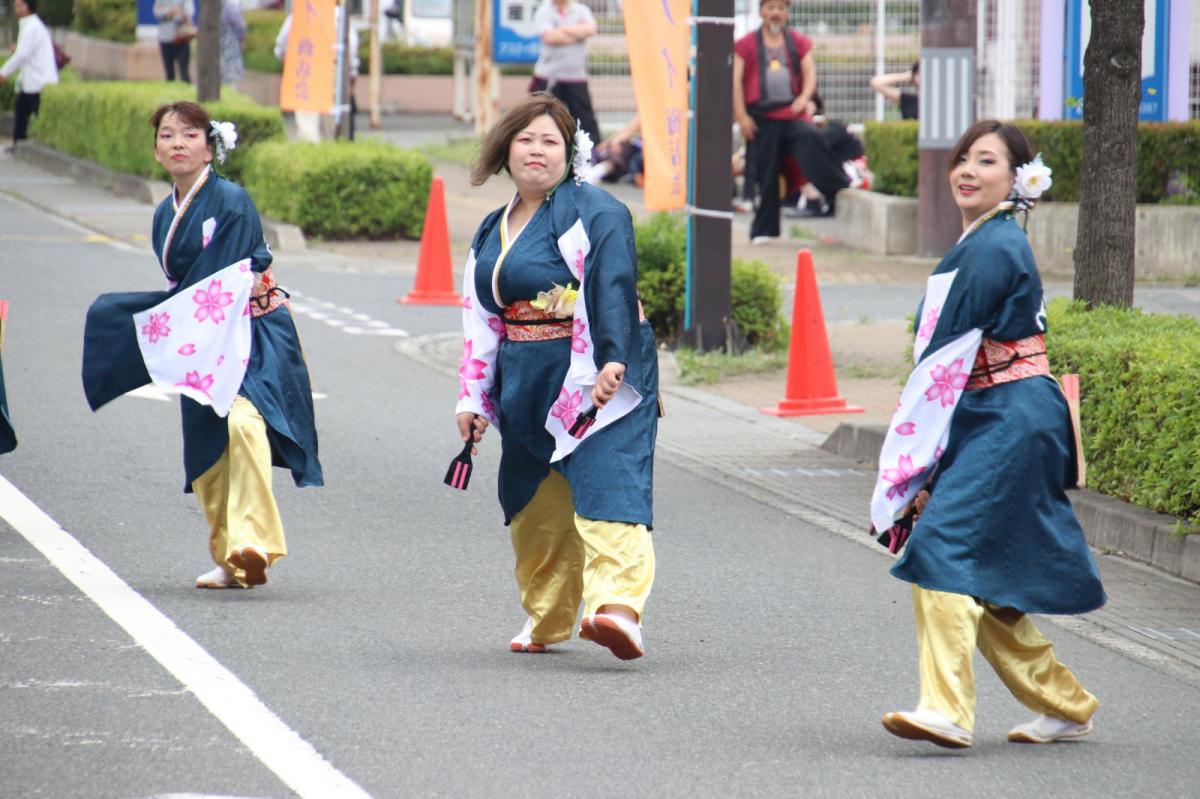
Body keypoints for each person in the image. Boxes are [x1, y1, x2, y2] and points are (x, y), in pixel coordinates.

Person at [870, 119, 1105, 749]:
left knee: (942, 547)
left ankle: (946, 708)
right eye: (964, 159)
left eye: (988, 161)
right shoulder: (988, 240)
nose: (969, 171)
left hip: (1009, 414)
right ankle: (1064, 703)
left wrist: (914, 451)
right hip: (994, 412)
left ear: (1018, 179)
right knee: (984, 576)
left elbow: (939, 353)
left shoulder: (994, 246)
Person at [82, 102, 323, 590]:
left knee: (245, 423)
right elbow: (184, 284)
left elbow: (219, 277)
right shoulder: (162, 214)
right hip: (201, 333)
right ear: (156, 151)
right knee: (207, 450)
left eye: (190, 134)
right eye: (167, 135)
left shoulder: (232, 200)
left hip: (251, 331)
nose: (177, 143)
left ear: (209, 148)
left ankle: (253, 542)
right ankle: (229, 558)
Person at [455, 93, 659, 661]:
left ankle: (618, 610)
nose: (537, 151)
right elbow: (481, 320)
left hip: (601, 377)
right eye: (525, 140)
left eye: (550, 141)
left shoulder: (597, 211)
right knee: (535, 508)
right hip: (528, 379)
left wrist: (612, 358)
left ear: (570, 153)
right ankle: (547, 616)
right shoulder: (491, 230)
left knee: (608, 482)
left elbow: (612, 285)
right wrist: (473, 399)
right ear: (505, 150)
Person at [733, 0, 849, 243]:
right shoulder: (745, 44)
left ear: (787, 13)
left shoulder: (797, 41)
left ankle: (838, 189)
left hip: (791, 112)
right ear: (761, 12)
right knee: (766, 173)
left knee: (811, 137)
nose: (776, 13)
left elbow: (809, 72)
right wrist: (742, 116)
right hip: (761, 118)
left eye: (781, 8)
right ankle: (764, 230)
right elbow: (736, 81)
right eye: (770, 8)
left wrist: (804, 98)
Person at [274, 8, 360, 141]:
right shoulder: (338, 15)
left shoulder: (300, 13)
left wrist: (289, 61)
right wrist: (352, 71)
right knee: (330, 120)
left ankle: (311, 149)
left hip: (306, 68)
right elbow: (351, 48)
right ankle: (329, 147)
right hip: (332, 69)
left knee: (307, 121)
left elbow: (282, 46)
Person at [529, 0, 602, 150]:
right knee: (540, 115)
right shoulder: (543, 10)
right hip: (548, 76)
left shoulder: (581, 9)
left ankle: (593, 154)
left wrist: (561, 29)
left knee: (585, 119)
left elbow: (591, 29)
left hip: (576, 76)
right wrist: (578, 32)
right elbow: (550, 38)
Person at [0, 0, 58, 150]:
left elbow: (22, 55)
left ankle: (43, 145)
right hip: (30, 82)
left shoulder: (32, 27)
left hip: (38, 82)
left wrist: (3, 73)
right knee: (21, 112)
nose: (16, 9)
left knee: (37, 115)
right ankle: (18, 145)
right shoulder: (29, 25)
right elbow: (24, 51)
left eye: (19, 5)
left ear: (27, 6)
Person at [154, 0, 195, 83]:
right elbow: (157, 13)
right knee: (169, 72)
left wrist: (167, 13)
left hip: (181, 39)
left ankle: (186, 90)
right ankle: (170, 89)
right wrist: (173, 11)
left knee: (184, 72)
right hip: (165, 38)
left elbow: (188, 14)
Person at [220, 0, 246, 86]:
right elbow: (238, 22)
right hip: (229, 41)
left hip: (219, 41)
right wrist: (242, 37)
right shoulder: (231, 3)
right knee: (230, 76)